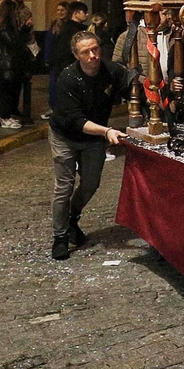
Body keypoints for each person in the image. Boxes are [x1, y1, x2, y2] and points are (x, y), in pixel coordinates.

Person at [48, 30, 131, 260]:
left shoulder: (110, 71)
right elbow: (76, 120)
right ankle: (60, 236)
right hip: (65, 135)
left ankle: (72, 217)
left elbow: (130, 88)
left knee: (91, 183)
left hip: (92, 139)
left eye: (95, 49)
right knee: (63, 186)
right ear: (76, 55)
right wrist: (107, 131)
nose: (93, 55)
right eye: (86, 52)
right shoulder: (68, 78)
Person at [0, 0, 36, 128]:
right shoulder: (5, 24)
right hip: (8, 63)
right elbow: (13, 42)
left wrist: (25, 29)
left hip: (6, 62)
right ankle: (5, 117)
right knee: (7, 90)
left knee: (5, 89)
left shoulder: (1, 23)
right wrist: (24, 33)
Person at [49, 1, 88, 109]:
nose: (87, 15)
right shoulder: (70, 30)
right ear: (75, 14)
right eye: (84, 12)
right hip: (67, 66)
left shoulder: (73, 28)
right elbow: (63, 51)